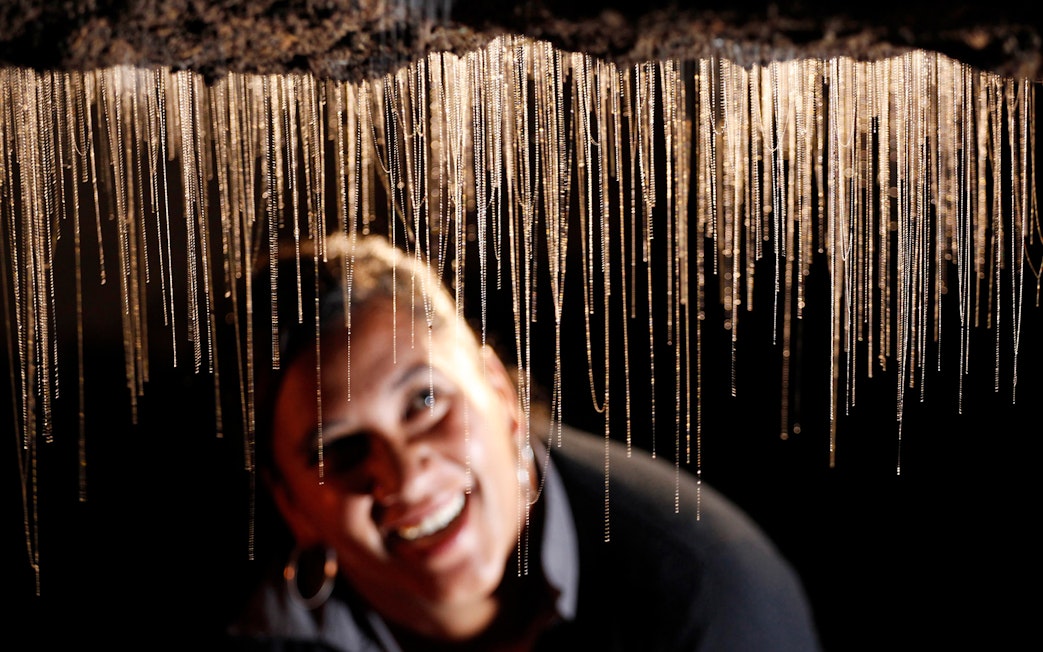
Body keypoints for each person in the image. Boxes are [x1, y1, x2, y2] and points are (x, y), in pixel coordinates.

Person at [224, 232, 821, 651]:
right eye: (337, 448)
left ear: (502, 396)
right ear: (292, 504)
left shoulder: (711, 607)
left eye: (426, 401)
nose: (407, 476)